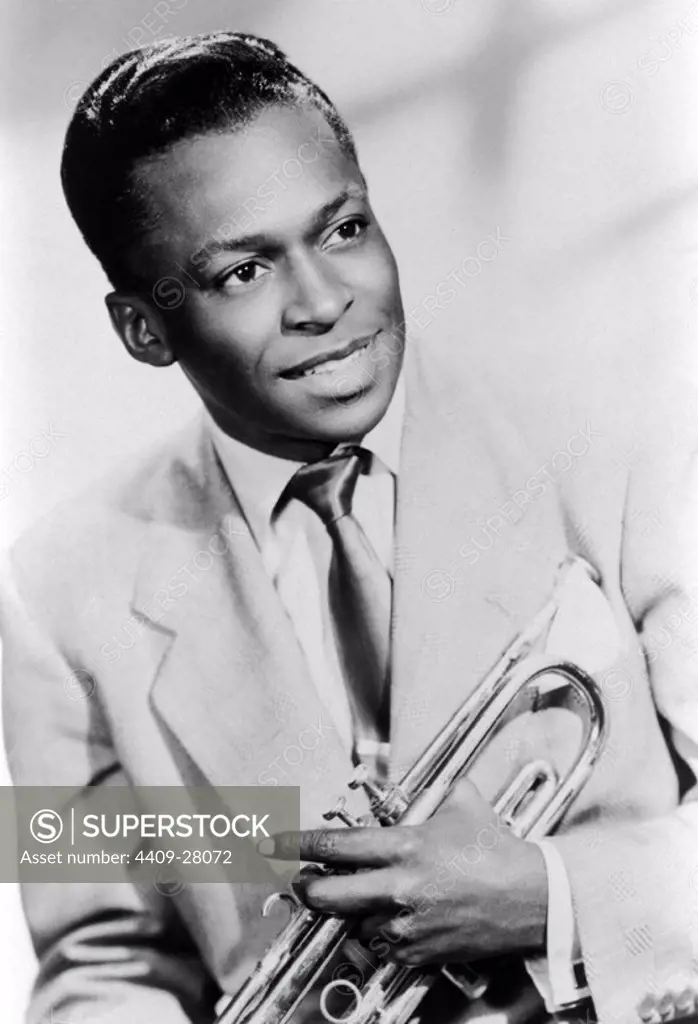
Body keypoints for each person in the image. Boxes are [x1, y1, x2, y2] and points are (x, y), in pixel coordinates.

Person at [2, 30, 697, 1024]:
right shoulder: (55, 589)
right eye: (244, 273)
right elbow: (106, 957)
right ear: (142, 329)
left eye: (340, 231)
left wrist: (548, 895)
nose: (325, 303)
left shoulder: (627, 443)